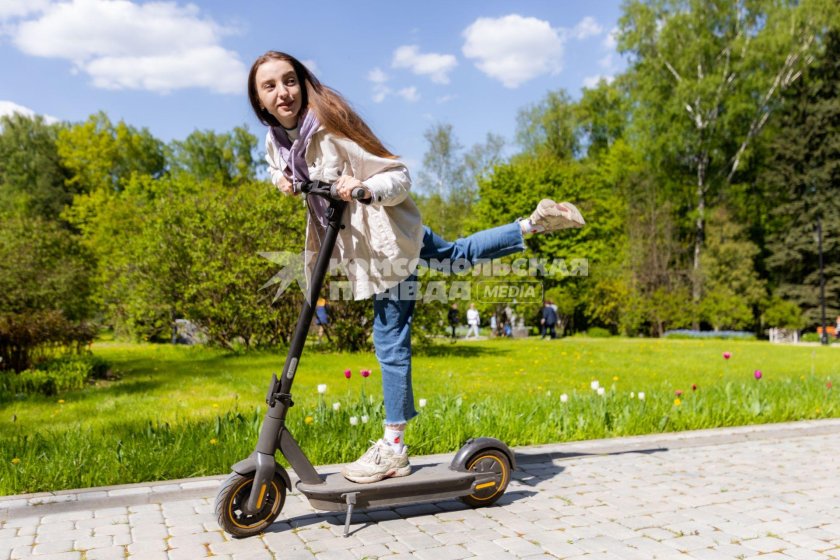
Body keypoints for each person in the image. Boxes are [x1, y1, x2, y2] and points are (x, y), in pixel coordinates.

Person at [248, 51, 585, 484]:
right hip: (381, 238)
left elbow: (398, 174)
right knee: (456, 256)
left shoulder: (330, 128)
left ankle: (394, 447)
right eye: (270, 86)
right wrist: (281, 179)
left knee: (389, 340)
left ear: (303, 83)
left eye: (289, 81)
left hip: (385, 243)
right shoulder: (276, 140)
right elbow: (279, 167)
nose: (282, 93)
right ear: (258, 101)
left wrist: (365, 188)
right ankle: (532, 223)